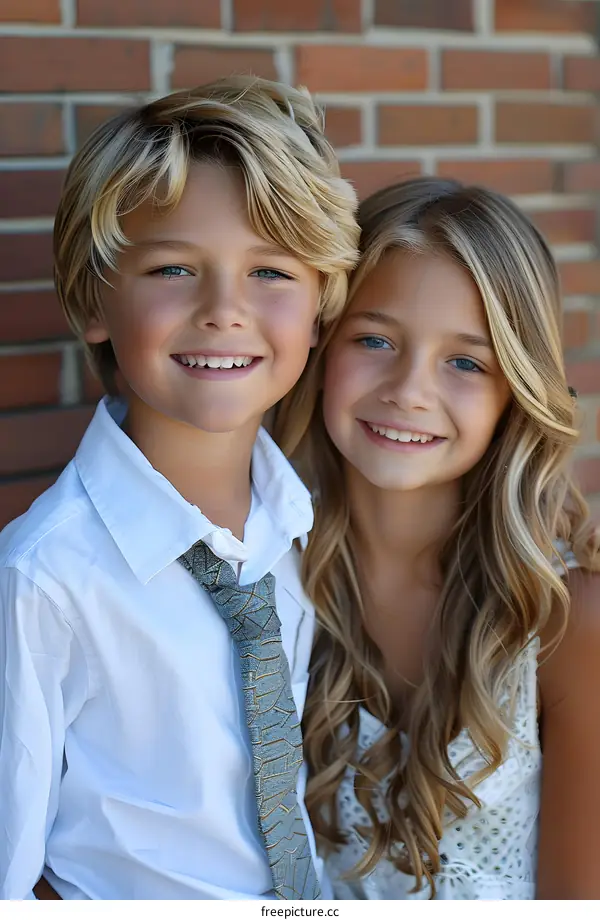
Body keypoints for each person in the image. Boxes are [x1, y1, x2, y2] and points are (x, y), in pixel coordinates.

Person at [0, 76, 359, 900]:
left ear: (317, 312)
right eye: (172, 268)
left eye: (270, 272)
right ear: (96, 299)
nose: (224, 309)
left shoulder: (297, 523)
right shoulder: (45, 578)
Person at [274, 177, 600, 899]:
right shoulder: (267, 569)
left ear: (515, 388)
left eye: (464, 362)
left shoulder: (564, 616)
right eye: (375, 339)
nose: (408, 389)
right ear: (323, 349)